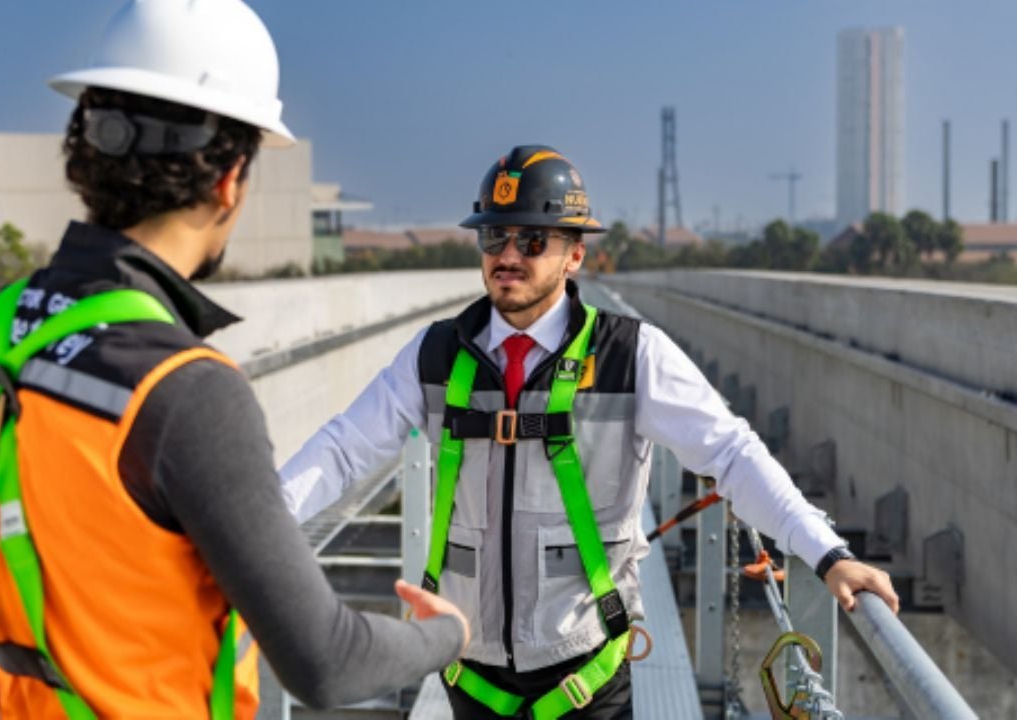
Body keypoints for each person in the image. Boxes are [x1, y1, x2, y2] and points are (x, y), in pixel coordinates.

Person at [0, 1, 467, 717]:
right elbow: (326, 663)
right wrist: (445, 635)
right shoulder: (185, 390)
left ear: (89, 151)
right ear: (230, 178)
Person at [279, 144, 900, 719]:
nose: (509, 255)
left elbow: (731, 454)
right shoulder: (438, 354)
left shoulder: (632, 356)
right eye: (495, 236)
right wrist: (251, 531)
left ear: (575, 255)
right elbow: (342, 449)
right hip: (468, 676)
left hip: (585, 678)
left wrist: (827, 554)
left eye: (532, 239)